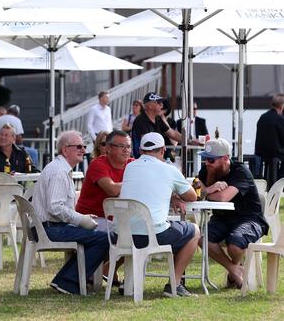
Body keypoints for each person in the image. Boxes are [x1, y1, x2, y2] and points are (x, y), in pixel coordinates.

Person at [119, 132, 200, 297]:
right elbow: (191, 196)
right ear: (163, 150)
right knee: (194, 230)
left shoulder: (129, 167)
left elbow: (145, 190)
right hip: (153, 235)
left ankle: (130, 282)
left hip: (123, 234)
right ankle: (175, 284)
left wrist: (170, 196)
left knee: (173, 229)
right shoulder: (169, 170)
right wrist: (175, 196)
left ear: (141, 151)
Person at [32, 130, 109, 295]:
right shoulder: (59, 171)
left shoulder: (60, 168)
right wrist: (81, 219)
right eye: (79, 146)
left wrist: (82, 218)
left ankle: (65, 280)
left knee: (99, 235)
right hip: (48, 229)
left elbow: (57, 208)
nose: (83, 150)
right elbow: (55, 207)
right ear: (65, 150)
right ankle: (68, 282)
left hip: (48, 226)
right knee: (103, 238)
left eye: (84, 146)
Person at [197, 138, 269, 288]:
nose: (207, 163)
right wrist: (209, 189)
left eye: (211, 160)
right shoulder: (207, 170)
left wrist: (206, 192)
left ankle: (233, 272)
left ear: (225, 158)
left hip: (249, 219)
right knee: (201, 238)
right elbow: (195, 187)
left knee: (234, 244)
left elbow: (223, 198)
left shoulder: (241, 171)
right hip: (221, 219)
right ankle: (235, 270)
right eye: (204, 159)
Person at [76, 130, 133, 228]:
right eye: (121, 146)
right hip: (92, 220)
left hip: (116, 220)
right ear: (109, 148)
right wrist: (138, 183)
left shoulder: (133, 164)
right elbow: (112, 190)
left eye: (128, 147)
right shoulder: (97, 164)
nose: (126, 150)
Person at [131, 93, 181, 158]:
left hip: (155, 159)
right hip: (144, 160)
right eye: (159, 103)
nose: (162, 105)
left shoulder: (158, 118)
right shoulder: (140, 120)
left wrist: (190, 141)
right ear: (150, 106)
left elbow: (172, 134)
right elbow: (148, 145)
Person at [254, 93, 284, 186]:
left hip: (260, 152)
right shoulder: (279, 119)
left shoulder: (263, 117)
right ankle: (280, 182)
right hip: (274, 153)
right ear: (282, 106)